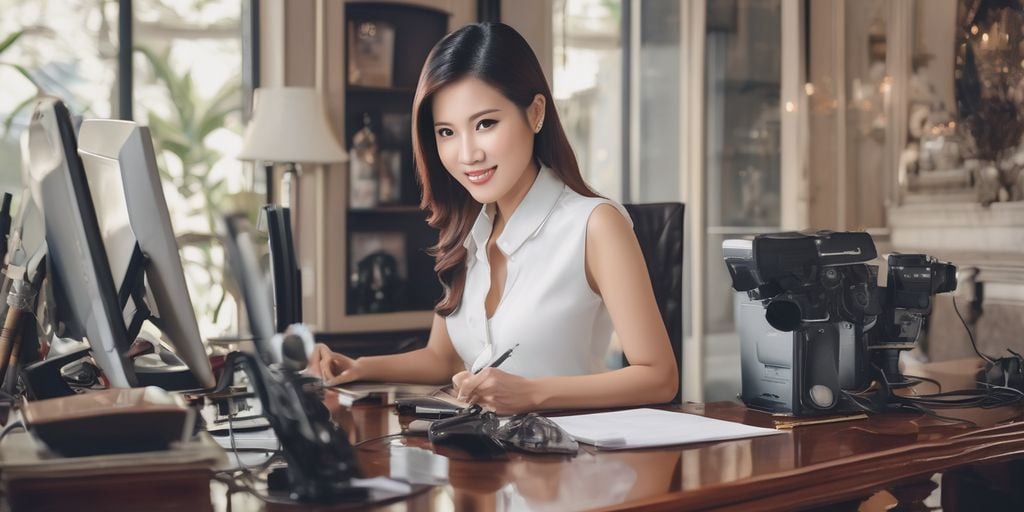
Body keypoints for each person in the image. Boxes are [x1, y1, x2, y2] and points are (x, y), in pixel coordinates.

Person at [308, 22, 678, 414]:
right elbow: (443, 359)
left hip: (574, 461)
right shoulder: (469, 229)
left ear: (535, 113)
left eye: (485, 124)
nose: (467, 154)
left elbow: (659, 376)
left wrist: (532, 393)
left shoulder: (595, 225)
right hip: (484, 462)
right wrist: (360, 367)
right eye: (447, 132)